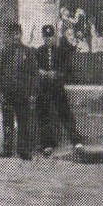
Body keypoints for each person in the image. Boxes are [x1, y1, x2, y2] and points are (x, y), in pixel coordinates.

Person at [35, 24, 82, 154]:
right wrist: (42, 72)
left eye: (51, 37)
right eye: (46, 37)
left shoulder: (61, 52)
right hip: (43, 88)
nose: (48, 39)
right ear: (43, 37)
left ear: (54, 37)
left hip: (57, 87)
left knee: (65, 114)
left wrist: (56, 73)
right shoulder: (38, 52)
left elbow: (68, 72)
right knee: (43, 114)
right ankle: (47, 144)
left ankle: (76, 141)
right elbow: (33, 69)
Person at [0, 21, 38, 160]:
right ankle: (7, 148)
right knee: (7, 121)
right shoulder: (3, 52)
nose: (15, 36)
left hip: (23, 92)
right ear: (9, 35)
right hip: (8, 92)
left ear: (20, 34)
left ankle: (23, 149)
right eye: (13, 34)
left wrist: (32, 93)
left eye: (17, 34)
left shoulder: (28, 52)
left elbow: (33, 74)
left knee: (23, 122)